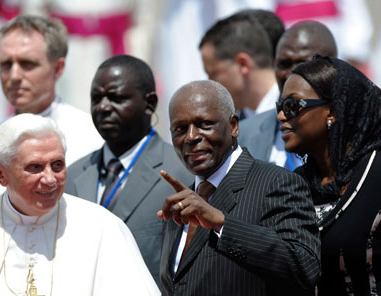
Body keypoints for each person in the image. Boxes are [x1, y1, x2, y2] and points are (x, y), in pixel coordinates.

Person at [0, 113, 160, 296]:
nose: (50, 179)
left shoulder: (103, 227)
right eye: (35, 167)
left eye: (57, 165)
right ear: (0, 174)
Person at [158, 80, 320, 295]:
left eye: (204, 124)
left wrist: (222, 223)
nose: (191, 137)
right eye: (179, 129)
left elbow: (303, 266)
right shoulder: (180, 207)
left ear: (233, 126)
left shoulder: (276, 182)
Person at [65, 55, 192, 285]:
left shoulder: (183, 171)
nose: (103, 107)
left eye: (116, 98)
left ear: (150, 103)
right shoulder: (71, 175)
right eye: (96, 98)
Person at [0, 15, 103, 206]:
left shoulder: (92, 134)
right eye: (6, 64)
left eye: (27, 64)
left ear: (58, 68)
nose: (14, 75)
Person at [277, 55, 381, 295]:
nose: (282, 116)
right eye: (280, 107)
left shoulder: (375, 173)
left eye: (292, 106)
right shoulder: (296, 183)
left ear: (332, 111)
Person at [238, 21, 337, 169]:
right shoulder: (243, 135)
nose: (292, 74)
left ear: (334, 65)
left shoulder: (362, 136)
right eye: (284, 64)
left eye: (304, 64)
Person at [199, 10, 282, 119]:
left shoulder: (298, 113)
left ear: (243, 64)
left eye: (213, 73)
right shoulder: (233, 126)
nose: (210, 86)